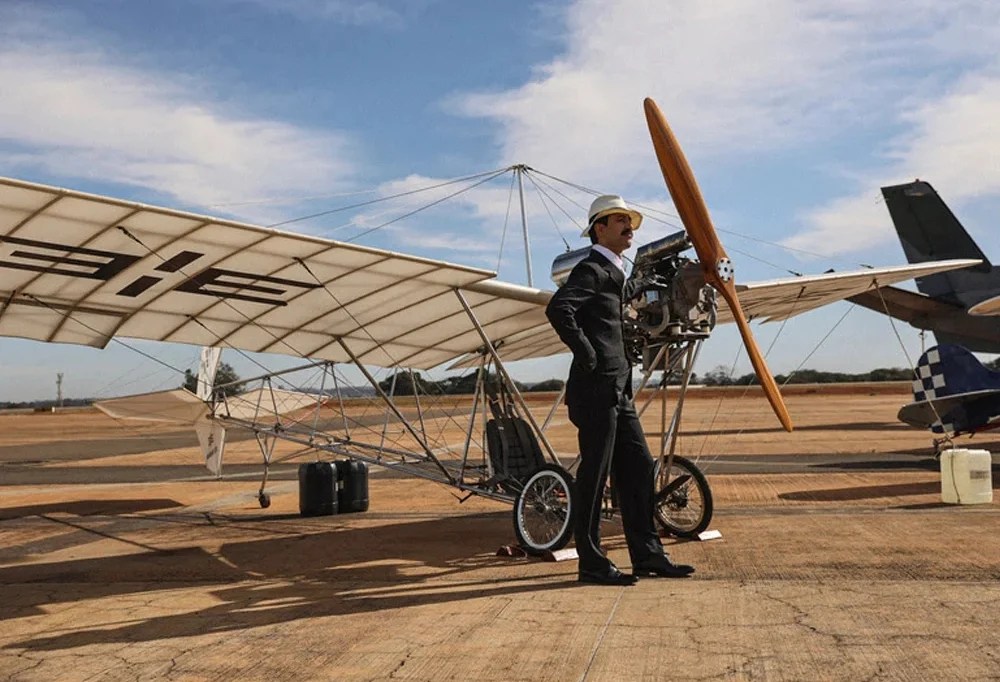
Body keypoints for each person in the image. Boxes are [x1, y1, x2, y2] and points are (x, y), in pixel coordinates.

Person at [545, 195, 696, 586]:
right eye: (619, 220)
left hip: (617, 389)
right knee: (594, 477)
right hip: (597, 389)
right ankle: (591, 563)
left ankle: (647, 555)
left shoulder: (614, 273)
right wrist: (590, 355)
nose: (629, 226)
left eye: (630, 220)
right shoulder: (592, 269)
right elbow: (559, 309)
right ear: (599, 228)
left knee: (640, 467)